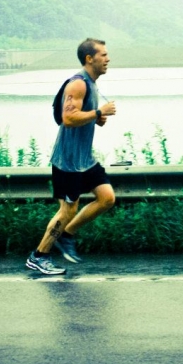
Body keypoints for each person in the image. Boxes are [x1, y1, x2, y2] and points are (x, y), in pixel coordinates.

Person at [26, 38, 117, 275]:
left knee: (107, 198)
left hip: (84, 159)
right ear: (89, 58)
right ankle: (39, 256)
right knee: (67, 210)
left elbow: (80, 115)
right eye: (103, 55)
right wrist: (98, 112)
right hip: (68, 161)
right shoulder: (78, 84)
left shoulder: (91, 84)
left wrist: (95, 118)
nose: (108, 59)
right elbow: (68, 119)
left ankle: (66, 234)